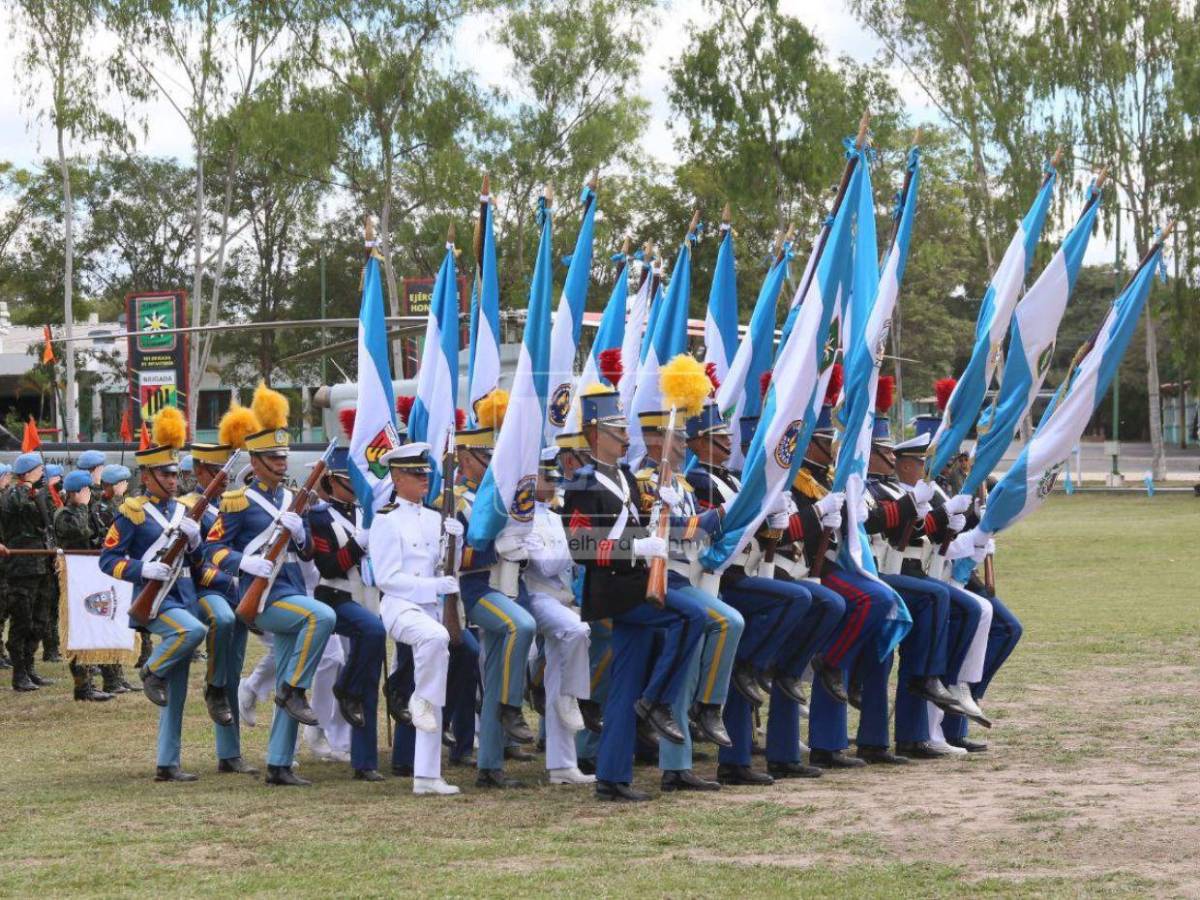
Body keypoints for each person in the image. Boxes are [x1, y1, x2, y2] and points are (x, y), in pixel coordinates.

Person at [560, 385, 707, 802]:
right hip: (614, 591)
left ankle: (611, 777)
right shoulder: (581, 484)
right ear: (594, 434)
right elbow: (580, 547)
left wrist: (658, 512)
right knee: (690, 617)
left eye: (624, 427)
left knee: (623, 686)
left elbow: (637, 526)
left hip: (634, 585)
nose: (625, 435)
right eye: (616, 428)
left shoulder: (626, 476)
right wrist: (635, 548)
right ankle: (657, 701)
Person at [684, 402, 830, 784]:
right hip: (720, 580)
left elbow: (765, 536)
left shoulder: (734, 480)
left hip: (747, 575)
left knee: (821, 604)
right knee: (796, 600)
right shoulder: (700, 480)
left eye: (727, 435)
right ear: (698, 443)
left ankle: (770, 682)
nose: (727, 441)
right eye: (718, 437)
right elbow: (711, 531)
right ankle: (736, 755)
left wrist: (777, 519)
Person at [203, 385, 337, 786]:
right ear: (256, 461)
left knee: (285, 679)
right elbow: (213, 552)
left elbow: (310, 553)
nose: (282, 464)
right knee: (322, 617)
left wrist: (298, 534)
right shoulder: (238, 501)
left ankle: (279, 763)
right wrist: (246, 561)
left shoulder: (292, 499)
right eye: (274, 458)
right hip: (262, 598)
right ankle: (295, 689)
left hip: (291, 589)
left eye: (284, 457)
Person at [632, 408, 740, 793]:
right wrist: (712, 520)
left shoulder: (684, 486)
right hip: (663, 581)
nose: (682, 443)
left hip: (689, 575)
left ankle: (681, 761)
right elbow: (658, 534)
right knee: (727, 623)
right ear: (655, 441)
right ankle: (705, 710)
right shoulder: (643, 482)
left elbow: (694, 530)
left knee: (693, 661)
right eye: (676, 437)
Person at [99, 409, 210, 781]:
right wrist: (141, 569)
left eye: (177, 473)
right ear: (147, 476)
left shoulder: (184, 510)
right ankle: (151, 669)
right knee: (193, 633)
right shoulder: (131, 512)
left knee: (176, 689)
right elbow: (108, 560)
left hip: (183, 597)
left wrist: (195, 543)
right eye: (166, 473)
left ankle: (167, 763)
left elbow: (197, 561)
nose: (174, 480)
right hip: (154, 601)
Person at [454, 394, 538, 789]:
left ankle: (489, 765)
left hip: (512, 586)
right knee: (521, 627)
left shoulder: (506, 493)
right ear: (467, 456)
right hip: (480, 591)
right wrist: (493, 547)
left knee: (493, 673)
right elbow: (453, 559)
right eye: (487, 455)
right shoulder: (455, 501)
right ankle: (511, 707)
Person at [369, 441, 461, 796]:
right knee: (435, 640)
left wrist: (457, 538)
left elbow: (447, 566)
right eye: (414, 473)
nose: (424, 479)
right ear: (396, 477)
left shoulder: (435, 517)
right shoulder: (386, 521)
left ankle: (427, 775)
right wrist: (434, 584)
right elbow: (386, 578)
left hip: (433, 609)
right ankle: (418, 699)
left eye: (425, 473)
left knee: (453, 654)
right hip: (400, 605)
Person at [308, 447, 388, 782]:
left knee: (370, 673)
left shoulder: (366, 514)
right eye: (348, 479)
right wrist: (358, 545)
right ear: (332, 481)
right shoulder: (320, 517)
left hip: (368, 596)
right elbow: (327, 566)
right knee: (371, 635)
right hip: (336, 596)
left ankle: (365, 759)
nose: (356, 485)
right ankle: (345, 688)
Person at [182, 439, 257, 776]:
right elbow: (194, 564)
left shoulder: (235, 505)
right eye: (216, 470)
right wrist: (229, 580)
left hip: (237, 590)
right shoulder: (189, 507)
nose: (223, 477)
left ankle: (230, 752)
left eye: (226, 470)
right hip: (202, 592)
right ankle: (212, 688)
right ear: (200, 471)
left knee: (234, 668)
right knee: (223, 626)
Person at [521, 447, 594, 785]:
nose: (552, 482)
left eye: (553, 476)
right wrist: (574, 537)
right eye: (545, 476)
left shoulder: (553, 515)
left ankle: (562, 764)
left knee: (558, 678)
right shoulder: (521, 516)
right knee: (577, 632)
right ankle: (573, 696)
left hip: (563, 597)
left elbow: (580, 558)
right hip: (536, 596)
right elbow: (546, 564)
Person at [54, 469, 114, 702]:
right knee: (79, 631)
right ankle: (83, 687)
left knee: (92, 627)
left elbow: (97, 534)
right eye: (87, 490)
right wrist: (81, 506)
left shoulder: (86, 511)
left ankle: (92, 683)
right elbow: (79, 533)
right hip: (75, 576)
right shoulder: (65, 514)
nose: (90, 494)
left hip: (90, 573)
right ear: (77, 492)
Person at [2, 452, 59, 692]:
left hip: (42, 564)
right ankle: (19, 674)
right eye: (38, 469)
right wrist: (31, 489)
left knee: (40, 620)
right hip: (22, 568)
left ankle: (30, 667)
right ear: (27, 473)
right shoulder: (13, 495)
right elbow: (20, 508)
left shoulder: (38, 494)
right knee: (21, 622)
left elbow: (46, 524)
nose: (42, 473)